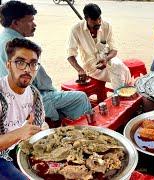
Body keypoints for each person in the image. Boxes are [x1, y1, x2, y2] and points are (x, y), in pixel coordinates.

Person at [0, 1, 91, 126]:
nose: (34, 24)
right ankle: (86, 134)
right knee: (80, 98)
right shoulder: (19, 46)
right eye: (30, 21)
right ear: (15, 23)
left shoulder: (3, 37)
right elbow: (35, 84)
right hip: (26, 99)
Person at [0, 38, 45, 179]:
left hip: (20, 148)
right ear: (8, 65)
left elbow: (37, 126)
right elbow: (22, 132)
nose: (27, 69)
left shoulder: (34, 94)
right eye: (20, 62)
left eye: (33, 64)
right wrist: (20, 133)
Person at [67, 3, 131, 91]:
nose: (98, 22)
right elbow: (70, 55)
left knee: (122, 69)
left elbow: (114, 50)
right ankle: (121, 95)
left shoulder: (106, 26)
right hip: (91, 67)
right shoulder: (76, 29)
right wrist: (80, 70)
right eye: (94, 21)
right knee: (120, 71)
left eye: (99, 19)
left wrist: (106, 59)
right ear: (86, 19)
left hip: (107, 60)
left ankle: (121, 94)